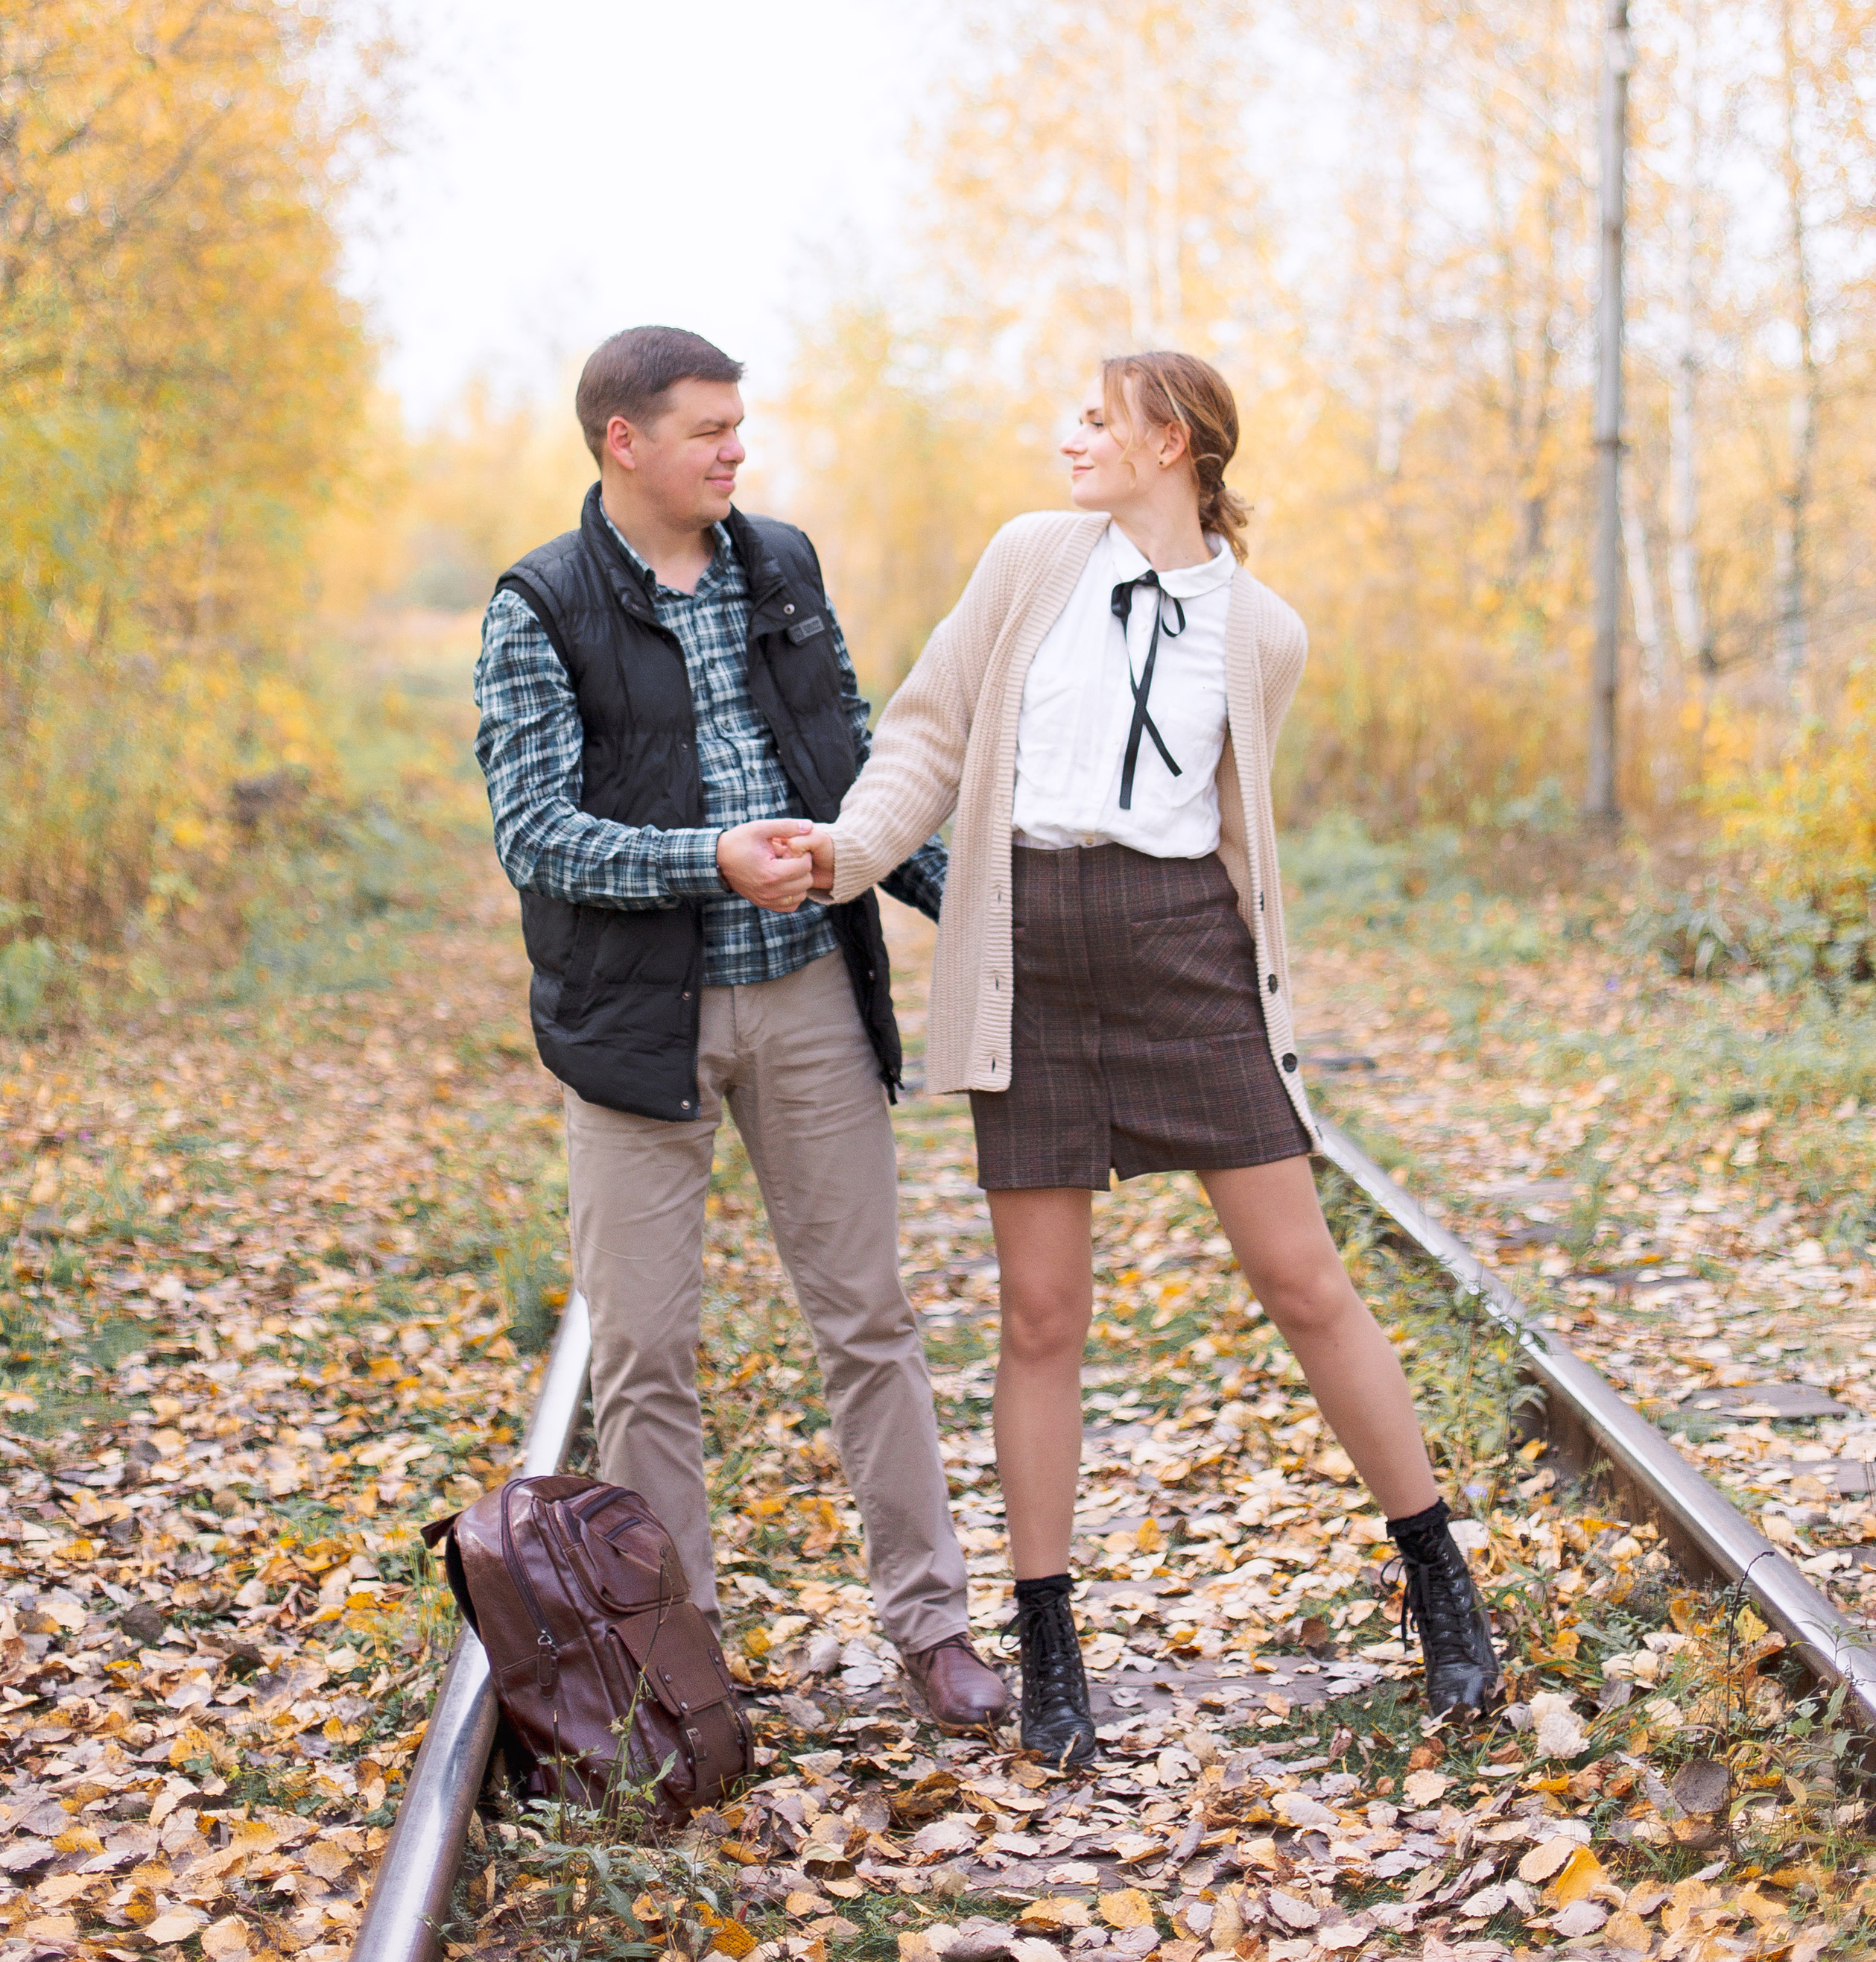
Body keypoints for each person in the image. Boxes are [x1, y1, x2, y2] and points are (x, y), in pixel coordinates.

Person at [807, 349, 1499, 1763]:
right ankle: (1049, 1642)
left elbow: (1230, 813)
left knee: (1304, 1278)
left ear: (1169, 443)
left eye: (1095, 418)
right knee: (1041, 1312)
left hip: (1183, 945)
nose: (1069, 437)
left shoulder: (1264, 632)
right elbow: (928, 733)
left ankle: (1440, 1581)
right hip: (1030, 946)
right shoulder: (1025, 562)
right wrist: (844, 854)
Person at [472, 323, 1007, 1730]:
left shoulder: (783, 564)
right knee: (645, 1354)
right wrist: (705, 858)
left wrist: (983, 915)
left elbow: (854, 765)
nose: (736, 448)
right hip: (633, 1027)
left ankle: (933, 1628)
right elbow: (535, 836)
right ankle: (676, 1669)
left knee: (871, 1323)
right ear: (623, 443)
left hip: (810, 998)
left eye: (739, 424)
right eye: (709, 428)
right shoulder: (538, 604)